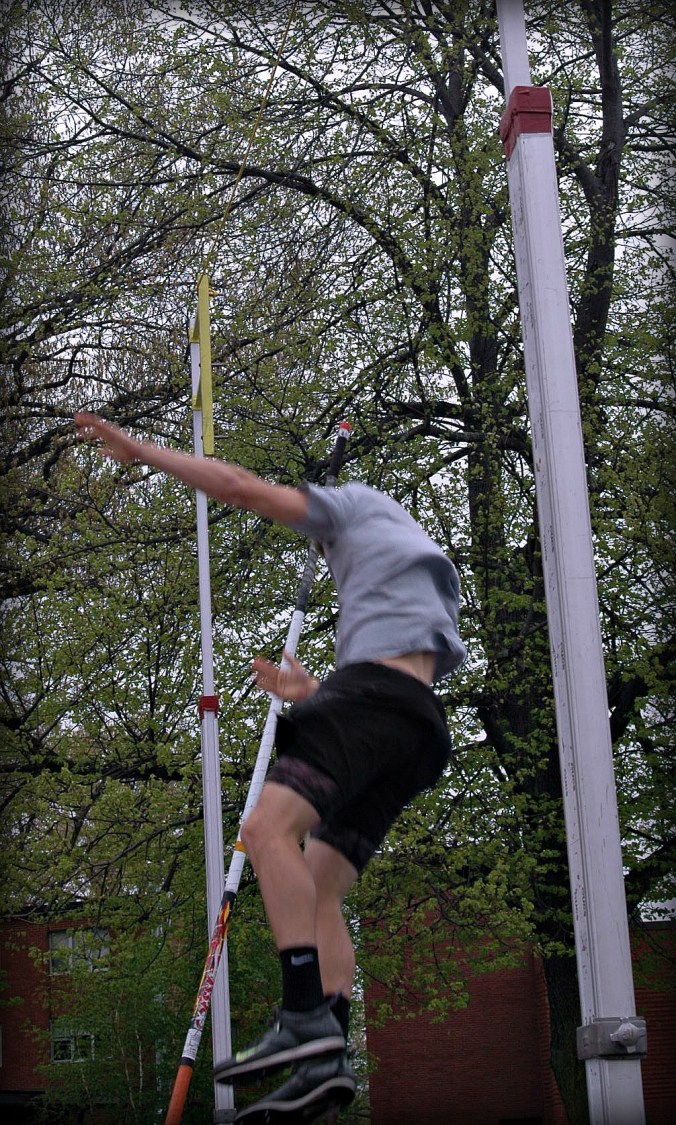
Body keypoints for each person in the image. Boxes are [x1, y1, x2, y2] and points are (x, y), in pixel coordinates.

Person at [74, 411, 466, 1119]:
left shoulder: (352, 506)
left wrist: (143, 451)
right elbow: (398, 692)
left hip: (372, 697)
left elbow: (242, 486)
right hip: (419, 729)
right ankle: (329, 1055)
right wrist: (315, 693)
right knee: (319, 888)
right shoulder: (428, 566)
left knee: (264, 831)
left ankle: (302, 1014)